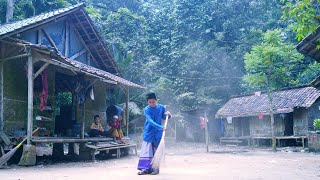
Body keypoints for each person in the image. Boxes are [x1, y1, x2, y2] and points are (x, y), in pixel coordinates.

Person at [137, 92, 171, 175]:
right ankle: (146, 169)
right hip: (149, 132)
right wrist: (160, 127)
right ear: (147, 102)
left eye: (153, 102)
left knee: (156, 151)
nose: (152, 104)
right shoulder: (146, 109)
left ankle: (155, 169)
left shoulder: (161, 107)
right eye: (150, 102)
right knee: (147, 151)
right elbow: (150, 121)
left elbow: (163, 117)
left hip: (158, 133)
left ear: (156, 100)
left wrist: (168, 115)